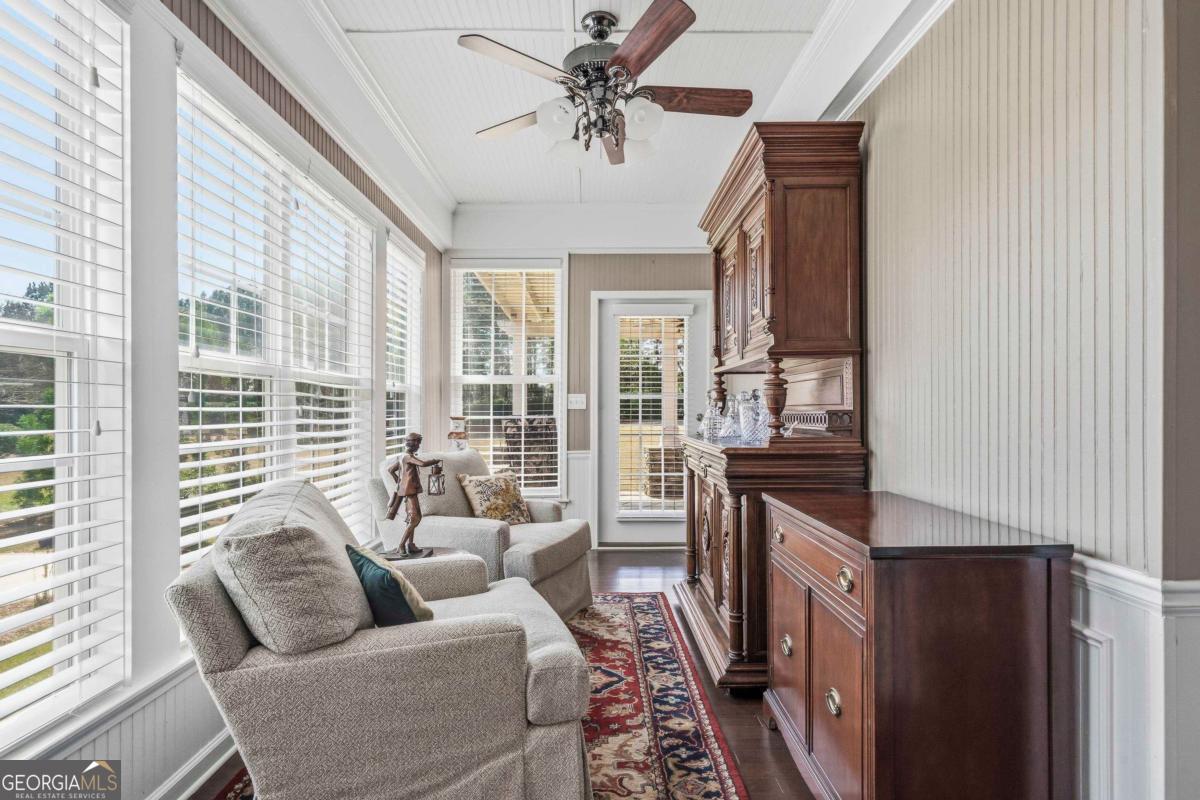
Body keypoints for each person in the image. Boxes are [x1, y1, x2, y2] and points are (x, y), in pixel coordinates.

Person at [385, 432, 442, 556]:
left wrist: (399, 482)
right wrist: (435, 461)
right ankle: (401, 545)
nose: (418, 445)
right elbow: (422, 464)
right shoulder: (407, 457)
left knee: (412, 518)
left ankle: (410, 545)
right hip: (409, 491)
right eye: (416, 442)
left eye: (418, 442)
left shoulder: (402, 456)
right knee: (416, 518)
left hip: (409, 490)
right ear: (410, 442)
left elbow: (391, 470)